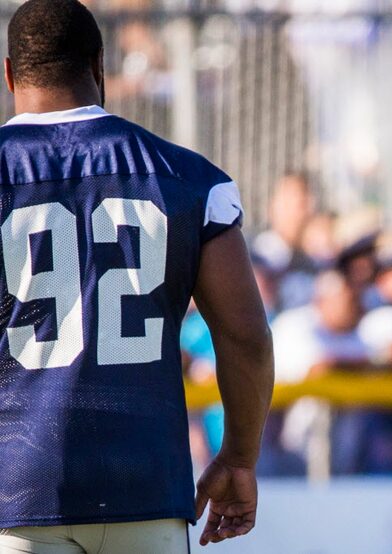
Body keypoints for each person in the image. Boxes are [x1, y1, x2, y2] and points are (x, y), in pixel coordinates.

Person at [0, 1, 274, 552]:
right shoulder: (188, 177)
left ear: (9, 74)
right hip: (146, 484)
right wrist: (238, 458)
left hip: (18, 489)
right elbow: (244, 336)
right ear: (100, 65)